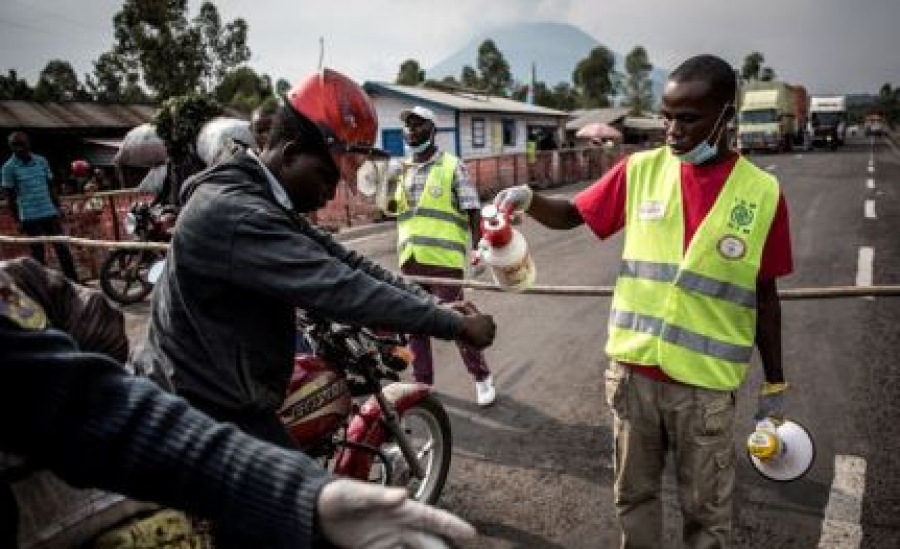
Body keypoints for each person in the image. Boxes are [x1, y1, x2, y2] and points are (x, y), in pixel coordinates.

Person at [496, 54, 793, 548]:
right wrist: (528, 198)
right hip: (633, 375)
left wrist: (777, 380)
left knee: (707, 514)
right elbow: (573, 214)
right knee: (634, 498)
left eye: (688, 118)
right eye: (667, 115)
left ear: (726, 116)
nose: (672, 130)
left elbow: (766, 294)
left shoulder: (763, 194)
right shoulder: (641, 170)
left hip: (705, 388)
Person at [134, 69, 496, 449]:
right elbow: (343, 287)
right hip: (201, 405)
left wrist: (436, 306)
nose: (330, 193)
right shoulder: (240, 212)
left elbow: (348, 262)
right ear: (290, 155)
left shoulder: (261, 194)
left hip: (219, 380)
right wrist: (453, 325)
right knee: (306, 496)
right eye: (327, 176)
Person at [0, 270, 477, 548]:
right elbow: (337, 277)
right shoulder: (236, 209)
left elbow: (90, 403)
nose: (331, 180)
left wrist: (304, 496)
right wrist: (447, 319)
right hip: (212, 389)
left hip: (171, 385)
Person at [393, 105, 496, 406]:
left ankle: (481, 376)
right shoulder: (401, 169)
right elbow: (393, 210)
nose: (412, 130)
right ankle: (422, 383)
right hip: (410, 258)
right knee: (414, 324)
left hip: (443, 260)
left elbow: (472, 208)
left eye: (418, 125)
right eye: (408, 125)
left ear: (432, 130)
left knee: (455, 321)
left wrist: (478, 247)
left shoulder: (452, 166)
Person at [1, 132, 79, 281]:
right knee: (38, 254)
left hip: (49, 211)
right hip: (29, 216)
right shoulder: (8, 168)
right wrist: (17, 220)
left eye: (21, 145)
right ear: (11, 148)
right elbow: (10, 197)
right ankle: (43, 287)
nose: (18, 149)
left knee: (62, 249)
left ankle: (74, 281)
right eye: (14, 146)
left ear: (28, 144)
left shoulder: (41, 161)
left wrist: (58, 207)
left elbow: (51, 187)